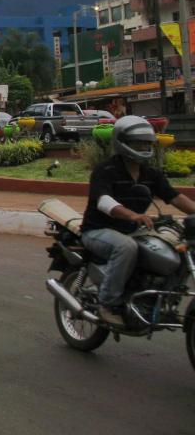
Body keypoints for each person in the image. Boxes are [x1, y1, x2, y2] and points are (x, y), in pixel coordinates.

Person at [80, 115, 195, 327]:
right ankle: (108, 303)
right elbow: (104, 201)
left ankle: (156, 295)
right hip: (98, 230)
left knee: (176, 247)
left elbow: (175, 197)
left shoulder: (151, 173)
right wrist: (133, 215)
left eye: (145, 143)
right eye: (137, 143)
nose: (142, 147)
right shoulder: (106, 170)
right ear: (122, 142)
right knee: (126, 248)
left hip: (133, 229)